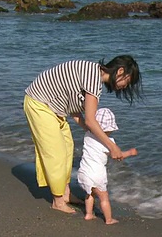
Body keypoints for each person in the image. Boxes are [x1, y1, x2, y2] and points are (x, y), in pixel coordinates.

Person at [23, 55, 142, 213]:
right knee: (56, 153)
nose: (125, 86)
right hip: (39, 103)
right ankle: (58, 201)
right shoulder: (93, 79)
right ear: (120, 71)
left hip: (55, 109)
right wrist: (111, 146)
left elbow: (76, 111)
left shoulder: (91, 74)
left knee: (67, 149)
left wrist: (92, 134)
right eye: (128, 81)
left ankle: (65, 194)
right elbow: (90, 121)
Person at [76, 108, 137, 224]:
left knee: (90, 193)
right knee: (104, 197)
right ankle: (108, 219)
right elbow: (117, 156)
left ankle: (89, 214)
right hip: (97, 174)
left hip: (84, 171)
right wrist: (130, 152)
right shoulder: (108, 142)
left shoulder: (88, 135)